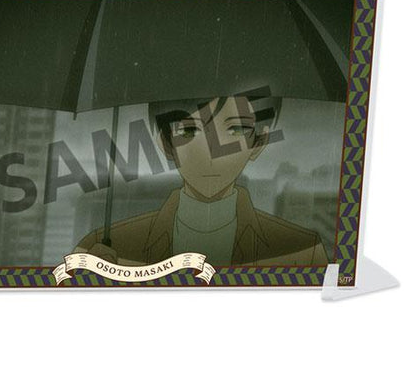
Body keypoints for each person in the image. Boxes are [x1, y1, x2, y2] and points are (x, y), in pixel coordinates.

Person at [74, 93, 329, 267]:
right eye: (188, 130)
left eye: (235, 129)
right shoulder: (103, 249)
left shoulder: (302, 252)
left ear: (258, 142)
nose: (210, 152)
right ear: (166, 143)